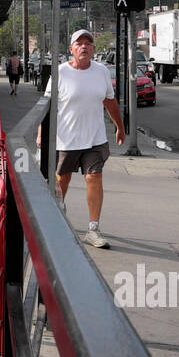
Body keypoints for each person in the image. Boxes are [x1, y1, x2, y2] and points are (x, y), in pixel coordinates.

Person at [36, 29, 125, 248]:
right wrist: (41, 133)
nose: (84, 46)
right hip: (66, 139)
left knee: (94, 178)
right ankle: (57, 219)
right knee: (61, 182)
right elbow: (46, 106)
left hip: (94, 138)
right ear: (71, 49)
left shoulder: (102, 71)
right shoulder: (60, 73)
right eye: (79, 43)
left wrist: (119, 127)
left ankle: (93, 229)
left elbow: (110, 101)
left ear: (93, 49)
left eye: (88, 43)